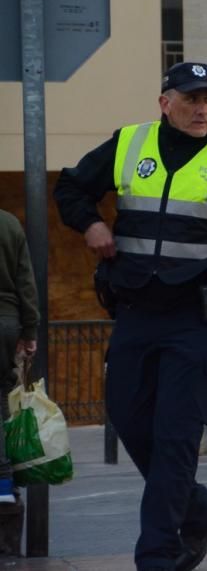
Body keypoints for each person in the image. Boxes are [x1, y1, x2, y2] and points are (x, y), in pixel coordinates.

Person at [53, 62, 207, 571]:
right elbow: (70, 187)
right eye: (191, 99)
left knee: (176, 438)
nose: (202, 109)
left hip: (196, 321)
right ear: (165, 103)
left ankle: (157, 555)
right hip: (135, 312)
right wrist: (90, 224)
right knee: (130, 420)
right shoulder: (130, 143)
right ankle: (199, 509)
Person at [0, 209, 40, 504]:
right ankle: (4, 487)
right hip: (7, 321)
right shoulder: (9, 223)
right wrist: (30, 330)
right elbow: (25, 280)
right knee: (2, 398)